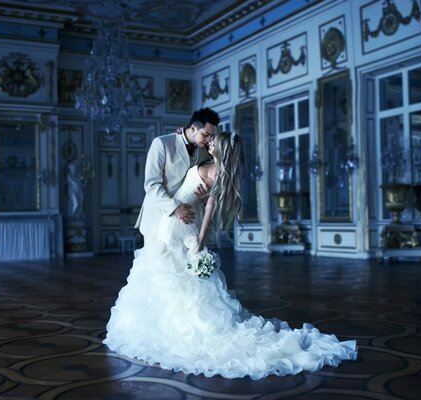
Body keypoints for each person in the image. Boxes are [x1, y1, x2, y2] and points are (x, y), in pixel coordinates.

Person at [104, 132, 357, 380]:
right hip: (178, 216)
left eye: (214, 141)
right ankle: (162, 323)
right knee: (167, 269)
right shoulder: (207, 160)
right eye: (210, 138)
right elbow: (192, 173)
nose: (210, 141)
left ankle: (173, 326)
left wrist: (201, 240)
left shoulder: (217, 172)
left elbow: (211, 207)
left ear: (220, 149)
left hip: (181, 223)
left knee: (167, 268)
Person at [134, 107, 219, 247]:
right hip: (159, 213)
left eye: (211, 136)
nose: (208, 140)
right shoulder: (161, 143)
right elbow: (151, 185)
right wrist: (175, 207)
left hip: (188, 218)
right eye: (205, 134)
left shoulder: (205, 152)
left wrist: (205, 198)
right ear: (193, 128)